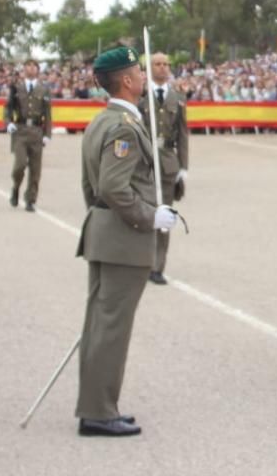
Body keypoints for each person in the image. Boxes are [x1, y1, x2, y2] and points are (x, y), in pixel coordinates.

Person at [75, 46, 177, 437]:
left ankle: (98, 405)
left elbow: (92, 187)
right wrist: (150, 216)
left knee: (101, 327)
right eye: (138, 71)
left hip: (106, 234)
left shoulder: (102, 121)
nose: (144, 76)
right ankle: (99, 412)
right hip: (123, 240)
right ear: (128, 81)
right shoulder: (122, 126)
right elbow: (114, 188)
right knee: (111, 329)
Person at [137, 52, 189, 285]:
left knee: (165, 215)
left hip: (168, 162)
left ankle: (158, 266)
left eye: (166, 64)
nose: (163, 68)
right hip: (143, 161)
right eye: (158, 64)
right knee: (142, 213)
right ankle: (140, 261)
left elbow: (183, 134)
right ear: (149, 68)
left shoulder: (177, 98)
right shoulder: (139, 95)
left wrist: (183, 166)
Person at [4, 59, 52, 212]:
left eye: (33, 66)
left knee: (35, 169)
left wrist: (47, 133)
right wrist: (8, 122)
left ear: (37, 70)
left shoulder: (43, 89)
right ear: (24, 69)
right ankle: (16, 187)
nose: (31, 69)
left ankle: (30, 199)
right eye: (28, 66)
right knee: (19, 165)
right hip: (21, 130)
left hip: (37, 131)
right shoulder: (16, 88)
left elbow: (48, 113)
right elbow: (8, 108)